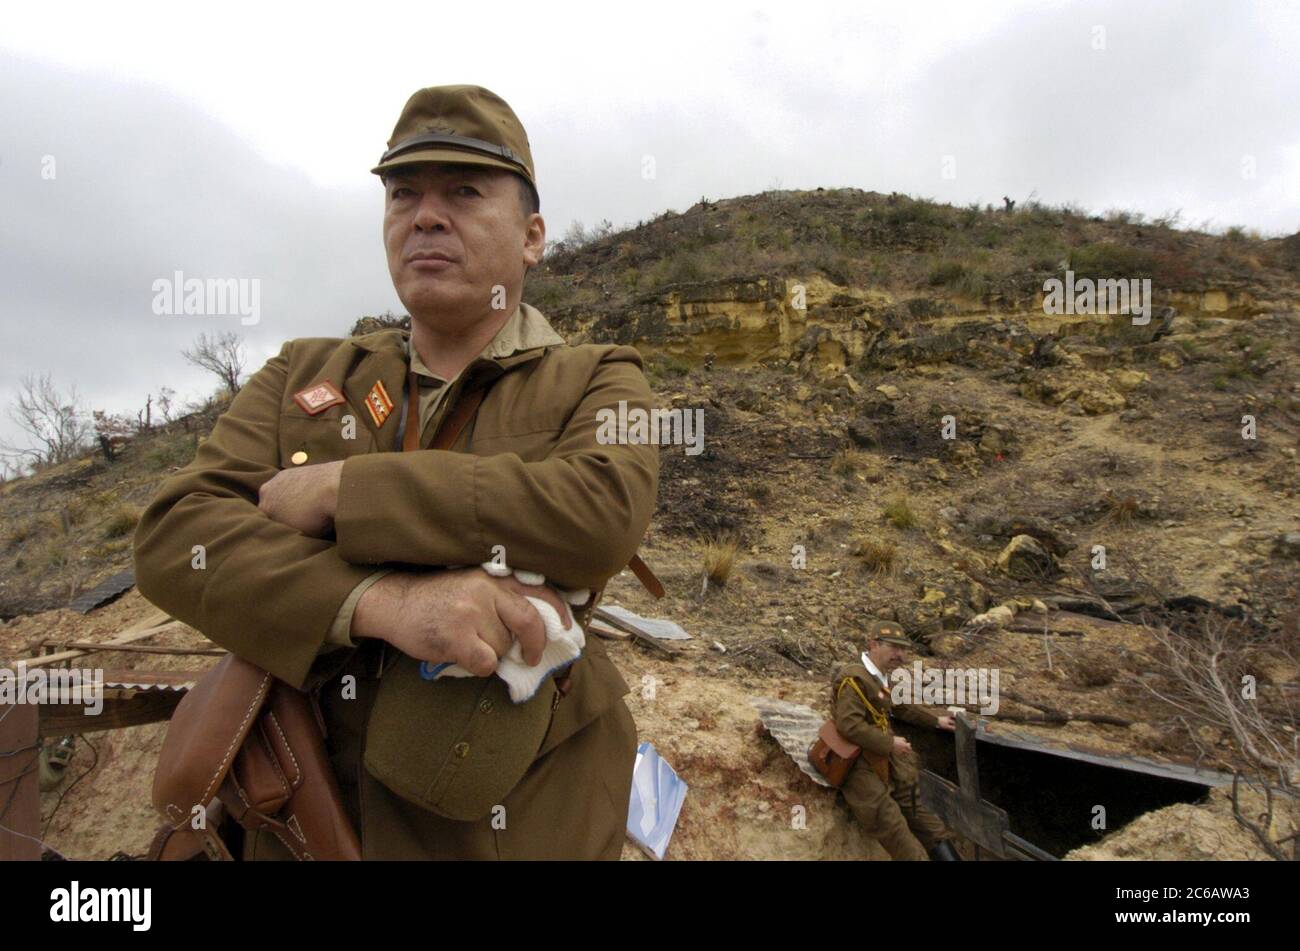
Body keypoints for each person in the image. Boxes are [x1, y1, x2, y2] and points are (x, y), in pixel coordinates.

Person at [133, 84, 660, 859]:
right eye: (403, 193)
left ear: (533, 236)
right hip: (299, 822)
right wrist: (383, 601)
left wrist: (346, 492)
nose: (426, 215)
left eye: (464, 192)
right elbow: (178, 535)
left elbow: (599, 514)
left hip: (520, 823)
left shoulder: (598, 378)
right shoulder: (303, 372)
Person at [831, 621, 962, 860]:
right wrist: (890, 744)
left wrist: (937, 720)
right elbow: (848, 726)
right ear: (873, 645)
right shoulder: (854, 678)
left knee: (919, 813)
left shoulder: (878, 677)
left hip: (882, 757)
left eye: (902, 649)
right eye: (893, 648)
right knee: (890, 823)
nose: (899, 655)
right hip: (856, 762)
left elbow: (897, 706)